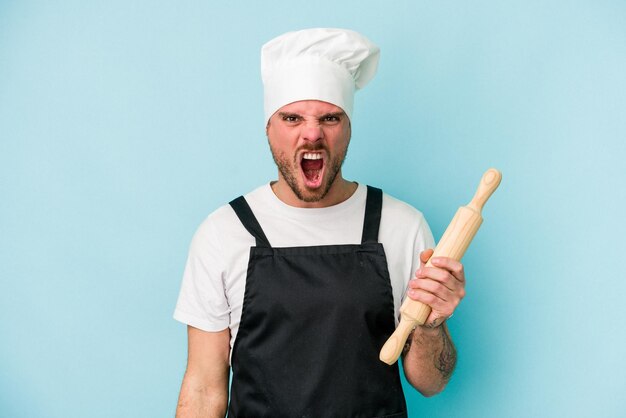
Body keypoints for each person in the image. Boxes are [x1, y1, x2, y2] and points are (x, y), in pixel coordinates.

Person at [174, 28, 466, 418]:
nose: (312, 133)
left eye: (330, 117)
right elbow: (204, 388)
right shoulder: (223, 232)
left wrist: (432, 327)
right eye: (292, 117)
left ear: (347, 129)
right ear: (268, 128)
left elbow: (431, 383)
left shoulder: (401, 225)